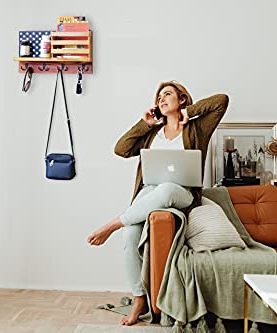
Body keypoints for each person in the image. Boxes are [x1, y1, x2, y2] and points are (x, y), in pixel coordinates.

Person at [86, 81, 229, 326]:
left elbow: (221, 100)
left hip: (181, 192)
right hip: (148, 192)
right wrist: (145, 124)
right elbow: (121, 149)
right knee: (130, 237)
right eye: (159, 97)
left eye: (168, 94)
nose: (161, 100)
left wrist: (189, 113)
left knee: (165, 190)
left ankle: (112, 224)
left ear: (182, 99)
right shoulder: (153, 132)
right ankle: (139, 298)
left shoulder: (197, 128)